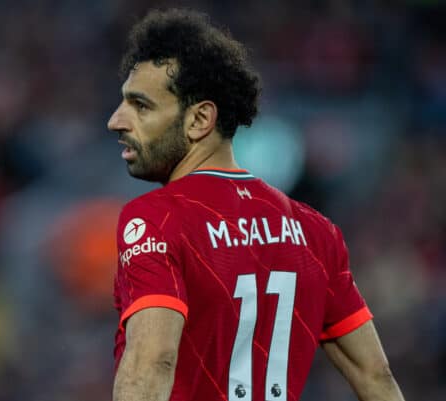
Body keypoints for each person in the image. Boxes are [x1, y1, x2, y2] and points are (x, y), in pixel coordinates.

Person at [107, 8, 405, 401]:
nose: (116, 120)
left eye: (140, 106)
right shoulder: (316, 232)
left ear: (200, 120)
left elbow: (153, 362)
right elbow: (376, 376)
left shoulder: (156, 219)